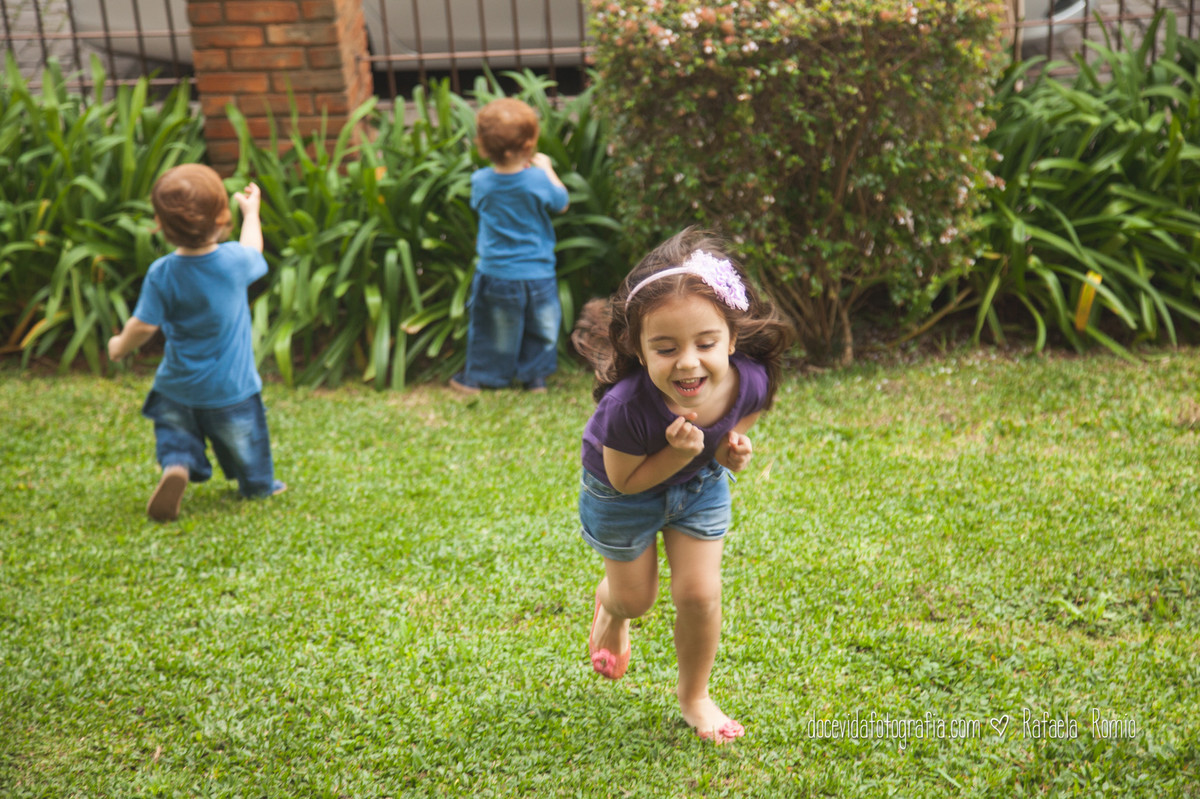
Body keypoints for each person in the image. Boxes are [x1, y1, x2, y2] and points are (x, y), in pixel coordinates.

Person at [577, 228, 793, 743]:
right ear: (639, 348)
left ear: (733, 339)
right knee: (637, 600)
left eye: (706, 343)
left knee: (700, 594)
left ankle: (694, 696)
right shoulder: (626, 408)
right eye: (666, 348)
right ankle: (612, 607)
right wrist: (675, 452)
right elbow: (626, 481)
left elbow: (745, 417)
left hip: (698, 485)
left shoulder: (750, 380)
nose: (689, 362)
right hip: (623, 491)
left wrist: (729, 450)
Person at [108, 164, 286, 522]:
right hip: (231, 389)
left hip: (176, 387)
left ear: (160, 225)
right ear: (222, 218)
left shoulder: (162, 273)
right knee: (246, 444)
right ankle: (258, 485)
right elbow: (254, 247)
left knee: (175, 434)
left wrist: (118, 346)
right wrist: (251, 213)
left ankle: (176, 465)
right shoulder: (234, 261)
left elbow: (143, 325)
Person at [449, 97, 570, 395]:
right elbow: (561, 202)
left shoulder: (481, 181)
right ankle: (535, 379)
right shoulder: (538, 180)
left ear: (483, 146)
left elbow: (483, 203)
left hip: (497, 274)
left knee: (493, 329)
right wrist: (548, 169)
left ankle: (481, 378)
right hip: (538, 273)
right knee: (541, 328)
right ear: (529, 147)